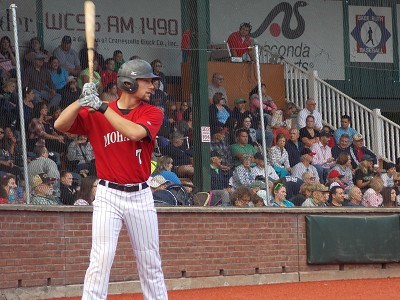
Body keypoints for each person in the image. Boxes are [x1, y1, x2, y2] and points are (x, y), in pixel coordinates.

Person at [54, 59, 168, 299]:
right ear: (128, 83)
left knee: (150, 262)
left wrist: (103, 108)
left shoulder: (152, 112)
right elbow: (59, 124)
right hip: (108, 195)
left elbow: (135, 132)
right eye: (146, 81)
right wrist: (80, 102)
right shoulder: (97, 111)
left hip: (141, 195)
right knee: (100, 260)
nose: (152, 86)